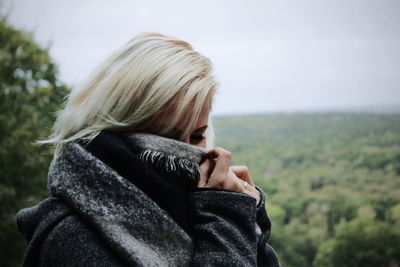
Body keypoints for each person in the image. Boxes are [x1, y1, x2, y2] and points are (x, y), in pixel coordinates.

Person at [16, 33, 281, 266]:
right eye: (166, 137)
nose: (185, 151)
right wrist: (227, 217)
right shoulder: (71, 237)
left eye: (198, 135)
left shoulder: (193, 206)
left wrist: (248, 220)